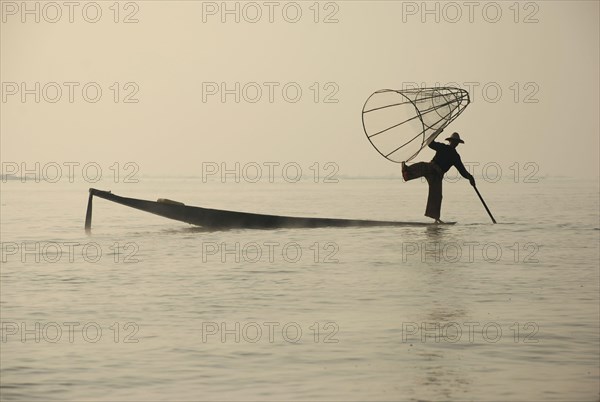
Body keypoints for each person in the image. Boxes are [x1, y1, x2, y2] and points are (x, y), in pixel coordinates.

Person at [402, 131, 475, 223]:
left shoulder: (455, 156)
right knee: (423, 166)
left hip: (437, 175)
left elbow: (462, 171)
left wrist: (470, 177)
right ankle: (407, 172)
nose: (454, 143)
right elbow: (431, 144)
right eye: (453, 141)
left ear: (457, 144)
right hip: (432, 168)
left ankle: (436, 219)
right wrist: (436, 133)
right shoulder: (444, 148)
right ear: (451, 141)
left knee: (437, 195)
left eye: (456, 142)